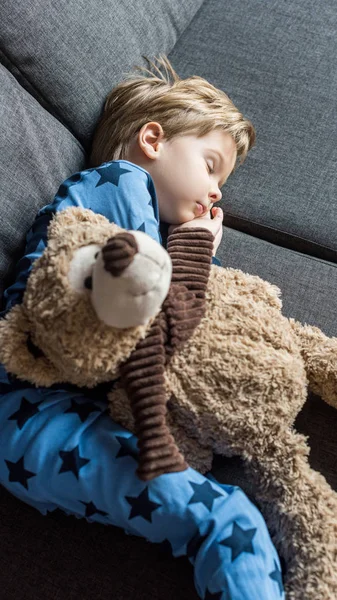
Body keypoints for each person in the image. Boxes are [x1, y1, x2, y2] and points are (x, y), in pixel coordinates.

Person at [0, 55, 285, 599]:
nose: (218, 191)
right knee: (231, 523)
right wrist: (199, 247)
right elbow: (154, 323)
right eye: (210, 165)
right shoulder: (122, 180)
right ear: (152, 140)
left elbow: (198, 320)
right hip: (30, 411)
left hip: (65, 410)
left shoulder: (153, 227)